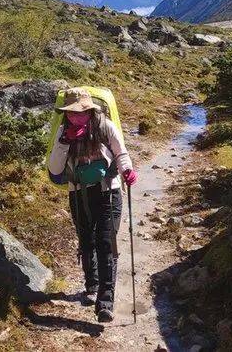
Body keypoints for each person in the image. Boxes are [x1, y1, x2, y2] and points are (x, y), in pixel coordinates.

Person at [47, 87, 137, 323]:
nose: (77, 116)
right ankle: (92, 284)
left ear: (90, 110)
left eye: (82, 112)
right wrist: (65, 141)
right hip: (79, 193)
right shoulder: (62, 132)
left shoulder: (103, 125)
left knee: (106, 242)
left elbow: (121, 152)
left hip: (109, 190)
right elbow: (55, 169)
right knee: (86, 240)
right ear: (65, 113)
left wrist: (127, 170)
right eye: (72, 113)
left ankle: (105, 303)